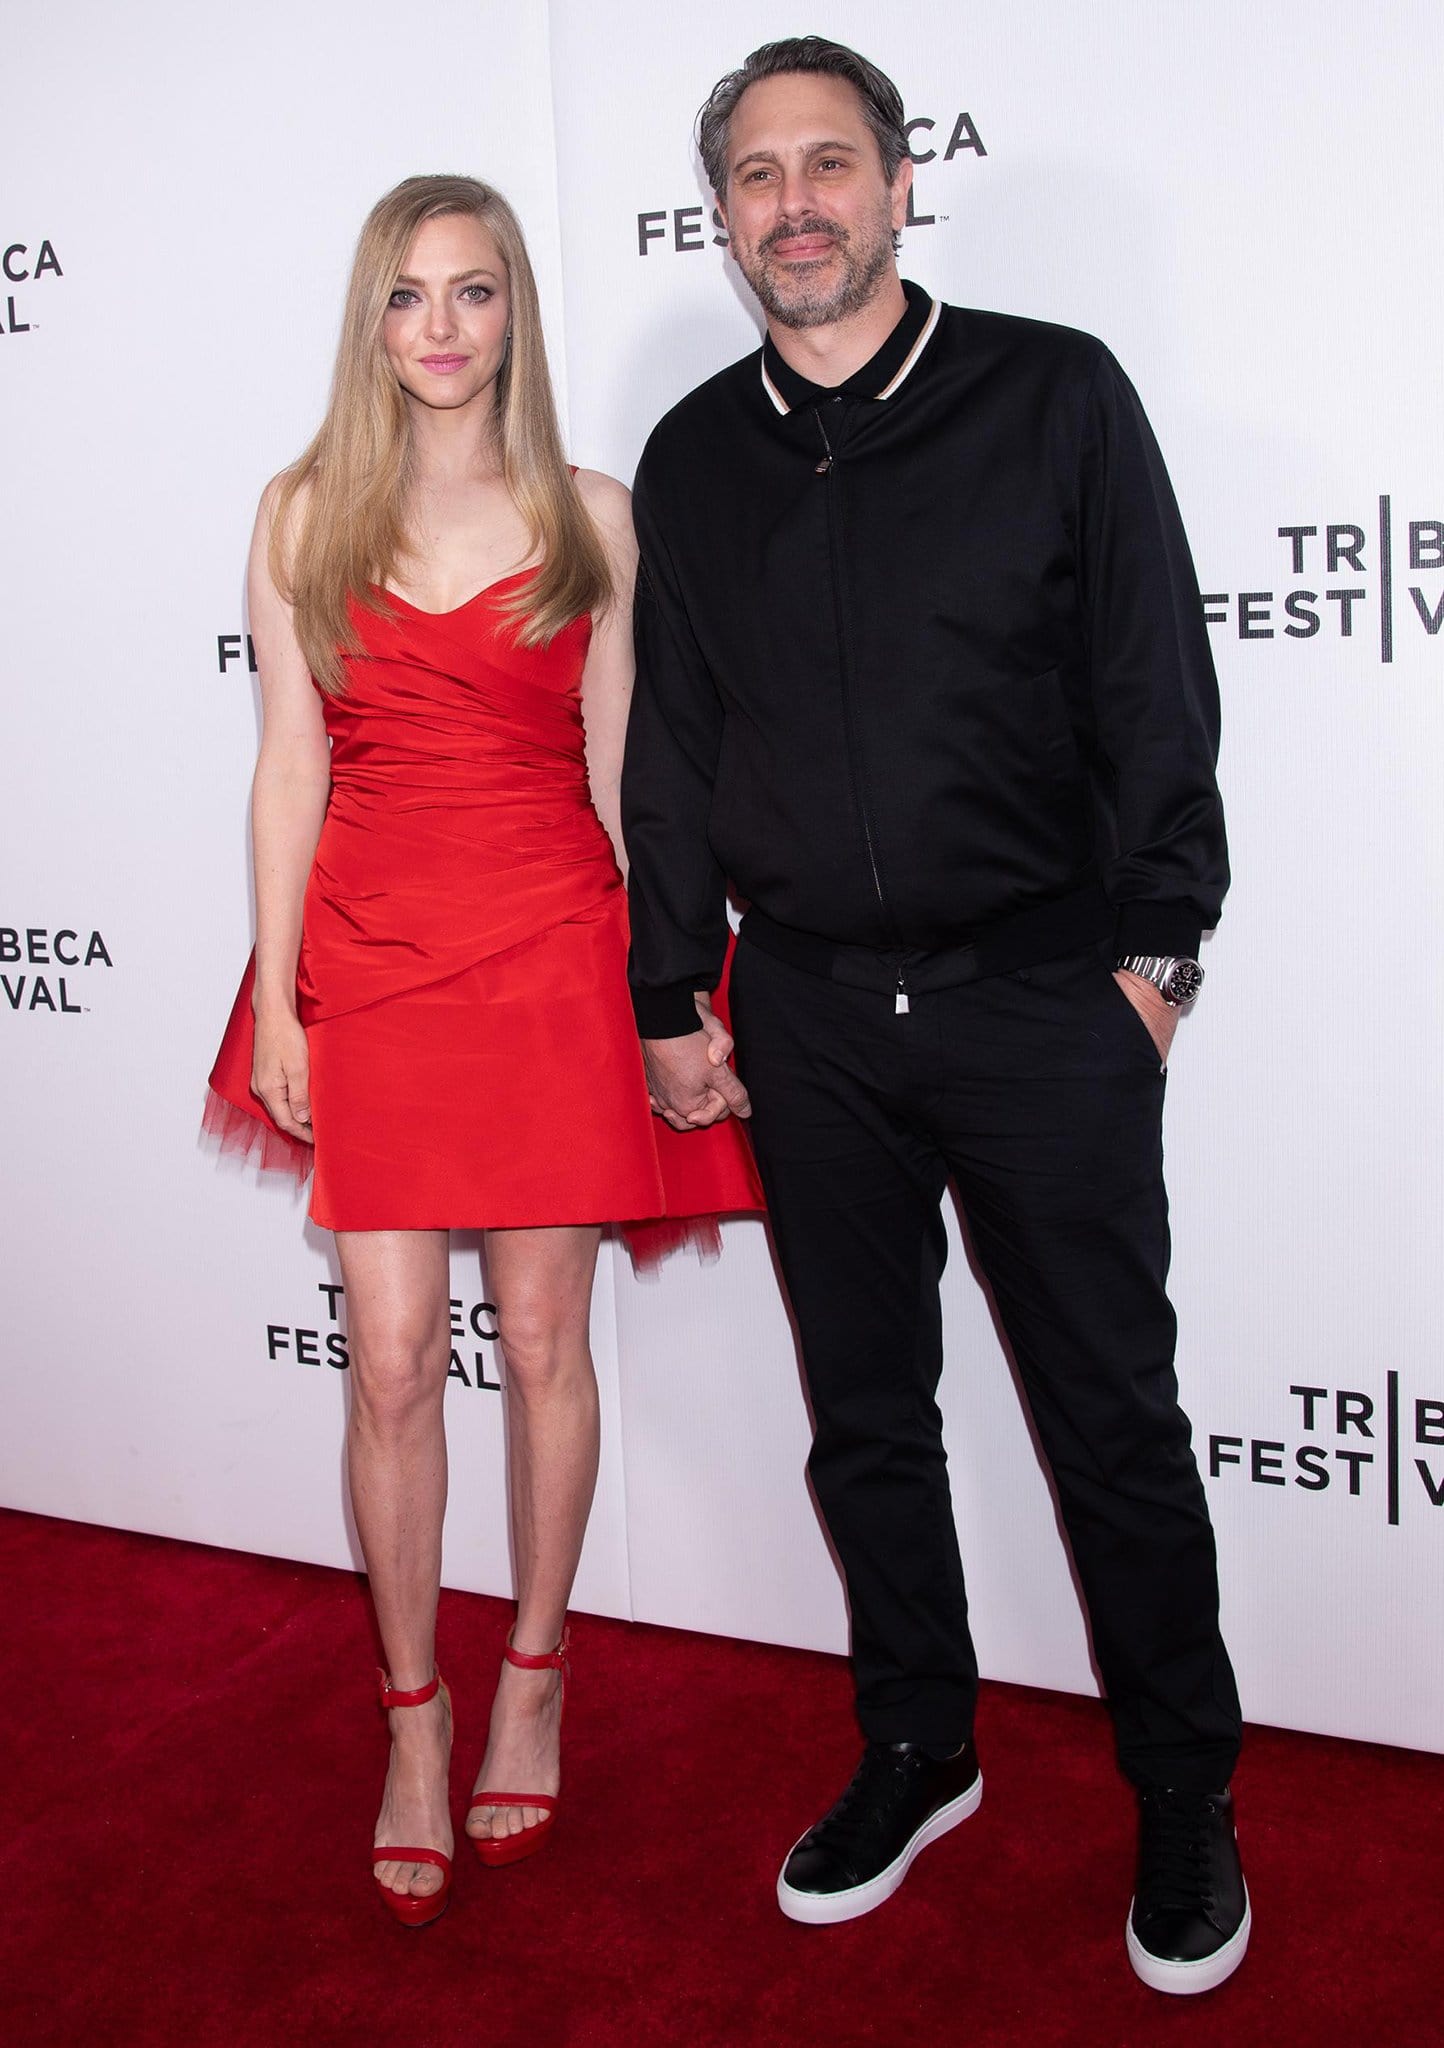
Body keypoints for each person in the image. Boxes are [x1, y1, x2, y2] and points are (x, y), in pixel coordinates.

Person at [622, 37, 1248, 1995]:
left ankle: (1181, 1797)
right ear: (720, 214)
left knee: (1106, 1422)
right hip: (803, 1010)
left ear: (899, 186)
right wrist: (668, 986)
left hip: (1037, 999)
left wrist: (1151, 961)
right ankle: (917, 1743)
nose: (792, 201)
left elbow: (1153, 684)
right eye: (753, 173)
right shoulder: (696, 455)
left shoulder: (1050, 393)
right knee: (864, 1418)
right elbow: (673, 746)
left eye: (828, 162)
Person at [204, 174, 760, 1928]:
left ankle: (533, 1667)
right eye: (408, 296)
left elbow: (622, 775)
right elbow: (291, 758)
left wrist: (673, 982)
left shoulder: (593, 511)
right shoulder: (303, 515)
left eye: (474, 292)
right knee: (385, 1363)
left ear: (516, 313)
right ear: (370, 321)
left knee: (541, 1338)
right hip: (370, 959)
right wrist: (281, 990)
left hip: (553, 956)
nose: (441, 328)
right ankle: (412, 1718)